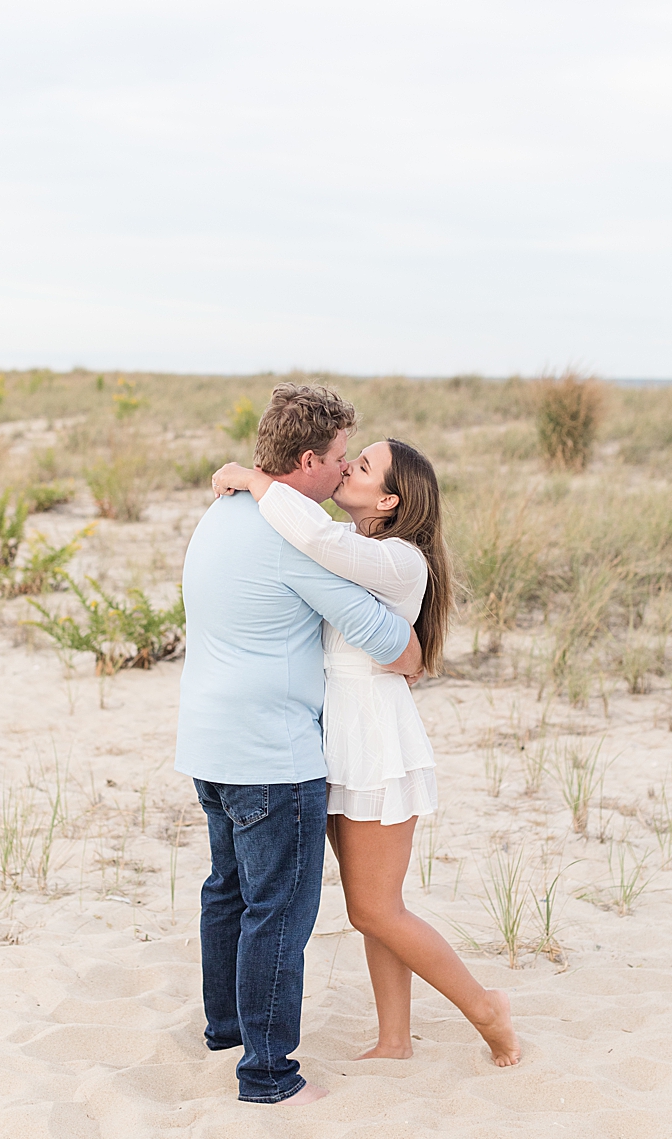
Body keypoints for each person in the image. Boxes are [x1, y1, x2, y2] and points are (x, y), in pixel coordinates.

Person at [212, 435, 522, 1068]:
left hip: (376, 739)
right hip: (334, 738)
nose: (347, 468)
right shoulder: (363, 551)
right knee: (376, 911)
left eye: (363, 465)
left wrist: (256, 478)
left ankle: (486, 1006)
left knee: (375, 909)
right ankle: (394, 1039)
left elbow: (319, 541)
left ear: (388, 499)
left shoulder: (401, 559)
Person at [173, 383, 422, 1106]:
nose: (345, 470)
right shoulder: (290, 536)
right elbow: (388, 642)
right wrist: (415, 650)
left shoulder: (219, 513)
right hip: (270, 756)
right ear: (308, 459)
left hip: (208, 743)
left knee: (228, 891)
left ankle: (227, 1030)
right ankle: (270, 1074)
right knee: (278, 911)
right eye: (341, 456)